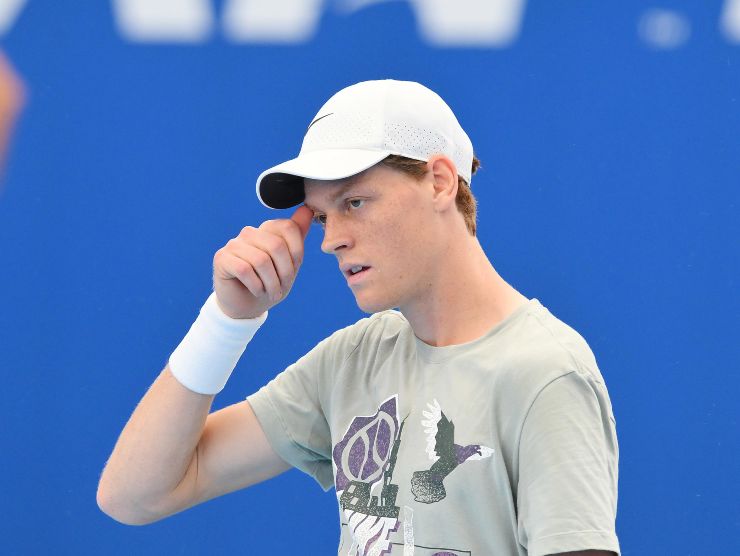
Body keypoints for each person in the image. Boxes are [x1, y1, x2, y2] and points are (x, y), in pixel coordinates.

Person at [97, 79, 620, 556]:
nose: (330, 240)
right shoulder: (354, 359)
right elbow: (134, 495)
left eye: (355, 202)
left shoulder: (546, 373)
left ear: (440, 182)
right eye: (323, 215)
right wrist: (229, 319)